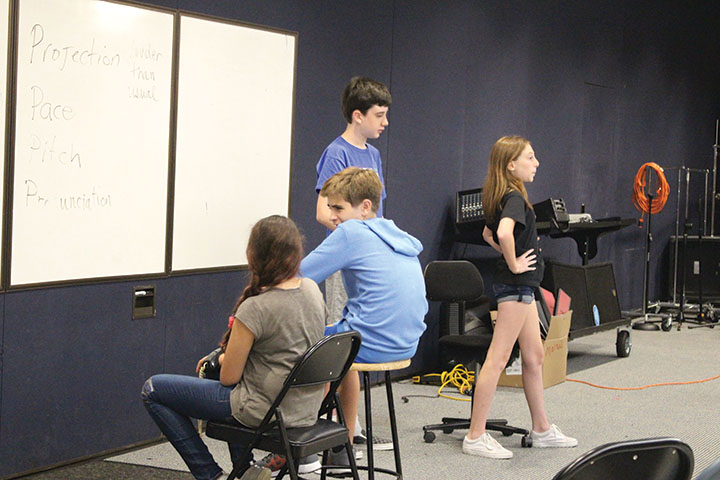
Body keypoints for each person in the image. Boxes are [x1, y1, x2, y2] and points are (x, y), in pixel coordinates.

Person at [141, 216, 326, 480]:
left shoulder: (255, 308)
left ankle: (211, 475)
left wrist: (222, 358)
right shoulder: (311, 290)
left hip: (263, 410)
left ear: (253, 256)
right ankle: (245, 471)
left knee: (154, 390)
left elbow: (229, 377)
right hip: (304, 408)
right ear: (297, 253)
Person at [301, 167, 428, 468]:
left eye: (338, 208)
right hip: (406, 344)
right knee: (342, 346)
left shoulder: (352, 232)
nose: (331, 215)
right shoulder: (397, 235)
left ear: (365, 207)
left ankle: (301, 448)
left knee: (303, 344)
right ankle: (341, 447)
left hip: (368, 342)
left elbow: (298, 276)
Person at [463, 136, 577, 459]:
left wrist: (509, 258)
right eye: (530, 157)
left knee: (535, 355)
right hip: (515, 288)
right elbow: (500, 233)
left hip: (523, 288)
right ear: (511, 165)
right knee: (497, 359)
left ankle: (541, 429)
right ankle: (475, 436)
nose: (536, 162)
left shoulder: (505, 195)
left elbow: (488, 233)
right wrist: (513, 262)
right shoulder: (513, 196)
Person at [314, 76, 393, 451]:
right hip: (345, 263)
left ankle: (350, 426)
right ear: (357, 115)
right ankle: (330, 430)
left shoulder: (374, 156)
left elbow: (376, 214)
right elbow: (323, 213)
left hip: (371, 266)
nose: (385, 122)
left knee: (357, 346)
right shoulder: (336, 153)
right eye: (379, 115)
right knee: (339, 345)